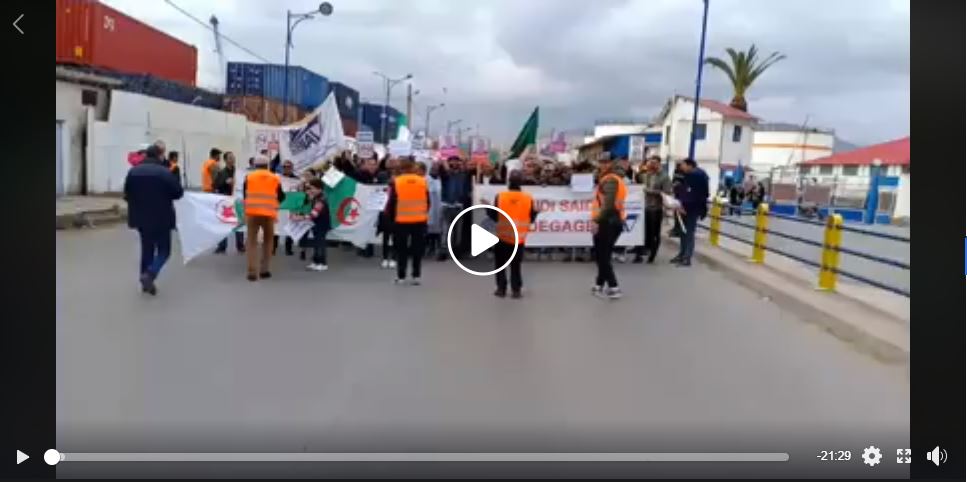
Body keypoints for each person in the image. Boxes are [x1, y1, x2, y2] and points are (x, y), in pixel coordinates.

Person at [123, 142, 184, 295]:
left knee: (147, 249)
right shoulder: (164, 172)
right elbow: (178, 192)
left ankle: (145, 281)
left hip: (141, 218)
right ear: (159, 155)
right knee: (164, 250)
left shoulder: (133, 172)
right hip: (161, 217)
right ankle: (150, 273)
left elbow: (126, 194)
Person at [488, 170, 538, 299]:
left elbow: (495, 216)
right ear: (521, 182)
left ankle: (501, 289)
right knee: (516, 265)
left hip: (502, 236)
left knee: (500, 264)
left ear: (508, 181)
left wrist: (487, 207)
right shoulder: (528, 198)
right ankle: (516, 290)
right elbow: (531, 218)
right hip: (518, 238)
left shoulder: (500, 196)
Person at [385, 157, 429, 285]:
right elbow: (428, 201)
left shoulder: (397, 182)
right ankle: (416, 276)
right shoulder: (422, 181)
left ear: (402, 168)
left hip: (401, 221)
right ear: (412, 167)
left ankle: (401, 276)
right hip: (419, 220)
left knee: (401, 250)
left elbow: (391, 203)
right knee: (417, 249)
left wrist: (391, 219)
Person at [243, 155, 285, 281]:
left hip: (252, 213)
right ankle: (264, 270)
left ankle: (251, 272)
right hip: (268, 214)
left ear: (255, 165)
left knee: (251, 242)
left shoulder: (248, 177)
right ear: (267, 165)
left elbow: (245, 195)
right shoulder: (275, 178)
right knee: (267, 242)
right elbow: (282, 196)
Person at [590, 154, 627, 299]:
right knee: (603, 255)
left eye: (606, 162)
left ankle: (614, 287)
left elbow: (608, 206)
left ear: (612, 163)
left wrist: (597, 220)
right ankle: (599, 285)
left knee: (602, 257)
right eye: (600, 162)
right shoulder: (614, 178)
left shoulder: (610, 179)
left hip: (607, 222)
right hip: (613, 221)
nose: (602, 165)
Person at [634, 155, 672, 263]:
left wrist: (649, 191)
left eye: (654, 163)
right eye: (650, 162)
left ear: (659, 164)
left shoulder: (664, 177)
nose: (652, 165)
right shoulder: (646, 175)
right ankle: (644, 250)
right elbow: (637, 181)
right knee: (644, 231)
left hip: (656, 208)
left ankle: (653, 254)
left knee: (654, 233)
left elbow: (667, 193)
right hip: (644, 207)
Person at [671, 158, 709, 267]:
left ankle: (687, 257)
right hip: (686, 206)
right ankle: (682, 254)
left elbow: (693, 194)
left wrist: (682, 205)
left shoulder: (696, 175)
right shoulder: (691, 174)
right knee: (683, 232)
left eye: (683, 165)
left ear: (689, 165)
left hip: (692, 208)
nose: (681, 167)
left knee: (688, 232)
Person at [437, 156, 472, 260]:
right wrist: (443, 163)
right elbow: (441, 171)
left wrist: (465, 163)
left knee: (457, 230)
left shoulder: (463, 175)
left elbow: (468, 178)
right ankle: (443, 251)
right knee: (445, 229)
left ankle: (455, 250)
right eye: (452, 161)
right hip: (446, 204)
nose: (455, 163)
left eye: (456, 161)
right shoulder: (445, 174)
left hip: (458, 205)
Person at [292, 178, 330, 271]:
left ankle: (322, 263)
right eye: (309, 188)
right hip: (317, 225)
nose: (310, 190)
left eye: (312, 188)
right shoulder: (315, 198)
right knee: (316, 244)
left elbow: (314, 214)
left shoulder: (321, 200)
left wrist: (300, 218)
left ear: (319, 189)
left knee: (320, 244)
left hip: (322, 225)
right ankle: (315, 262)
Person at [213, 151, 245, 254]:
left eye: (233, 157)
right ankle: (222, 245)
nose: (232, 159)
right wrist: (225, 182)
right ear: (226, 160)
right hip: (226, 200)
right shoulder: (222, 173)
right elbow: (216, 185)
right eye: (230, 158)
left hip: (237, 200)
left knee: (239, 222)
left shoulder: (239, 172)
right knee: (224, 223)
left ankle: (240, 245)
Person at [274, 160, 300, 256]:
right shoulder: (277, 178)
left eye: (288, 167)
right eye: (285, 167)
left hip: (291, 207)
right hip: (279, 206)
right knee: (276, 227)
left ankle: (288, 248)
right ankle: (274, 247)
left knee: (290, 227)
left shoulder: (297, 179)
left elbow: (299, 192)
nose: (286, 168)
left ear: (292, 168)